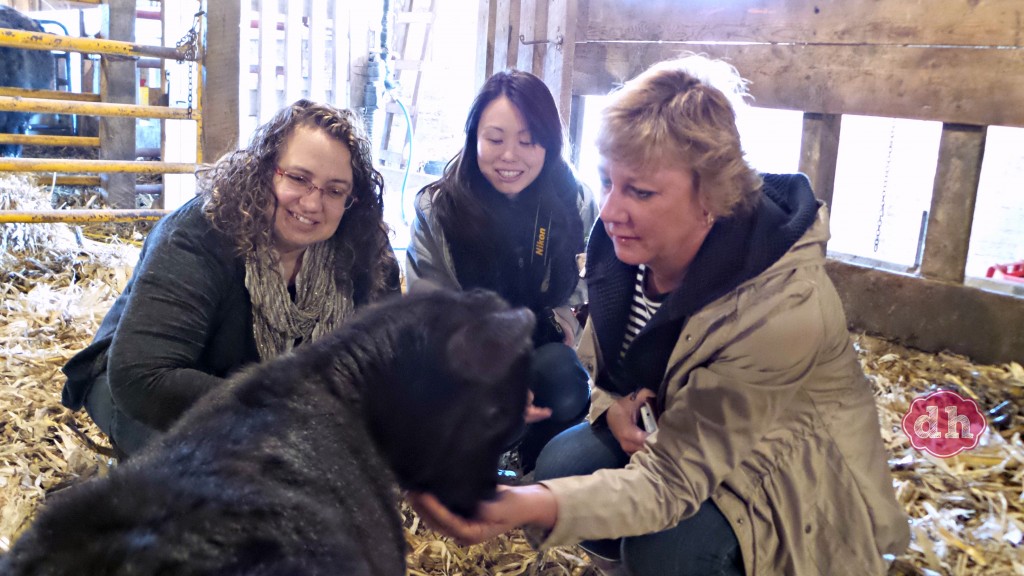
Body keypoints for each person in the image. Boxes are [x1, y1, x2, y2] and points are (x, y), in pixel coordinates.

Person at [409, 55, 910, 575]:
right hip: (676, 434)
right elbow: (601, 365)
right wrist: (611, 407)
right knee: (563, 464)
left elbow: (672, 480)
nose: (609, 211)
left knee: (664, 549)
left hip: (784, 477)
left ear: (710, 197)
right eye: (607, 181)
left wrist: (526, 504)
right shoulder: (620, 246)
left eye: (641, 191)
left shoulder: (780, 305)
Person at [62, 100, 401, 457]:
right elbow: (143, 377)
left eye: (335, 190)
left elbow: (388, 355)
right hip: (165, 395)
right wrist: (289, 416)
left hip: (282, 407)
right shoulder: (200, 235)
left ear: (353, 197)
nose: (312, 204)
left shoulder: (363, 245)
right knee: (223, 487)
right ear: (266, 169)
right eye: (299, 179)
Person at [405, 70, 596, 473]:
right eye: (494, 139)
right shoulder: (438, 207)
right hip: (466, 354)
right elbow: (428, 310)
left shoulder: (573, 200)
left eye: (528, 141)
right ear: (473, 136)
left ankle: (537, 464)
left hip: (540, 340)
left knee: (564, 381)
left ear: (549, 143)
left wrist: (563, 325)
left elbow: (581, 287)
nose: (510, 156)